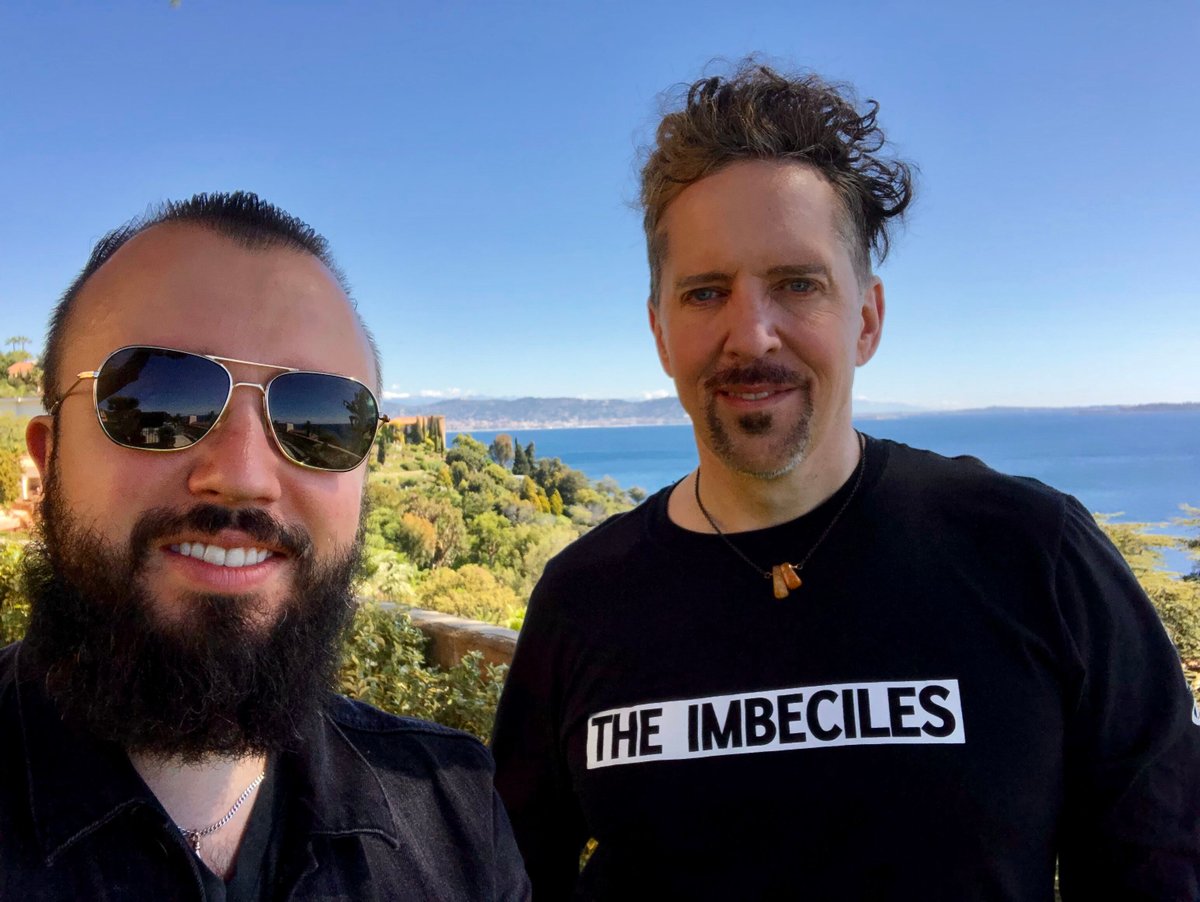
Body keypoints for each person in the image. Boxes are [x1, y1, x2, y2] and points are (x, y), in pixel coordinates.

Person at [491, 63, 1200, 900]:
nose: (749, 333)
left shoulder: (1033, 554)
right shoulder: (583, 597)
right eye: (706, 292)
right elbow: (510, 875)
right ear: (660, 331)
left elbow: (1159, 866)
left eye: (797, 284)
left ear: (865, 319)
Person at [1, 192, 530, 901]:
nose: (244, 477)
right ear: (46, 461)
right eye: (156, 401)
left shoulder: (455, 818)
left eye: (317, 421)